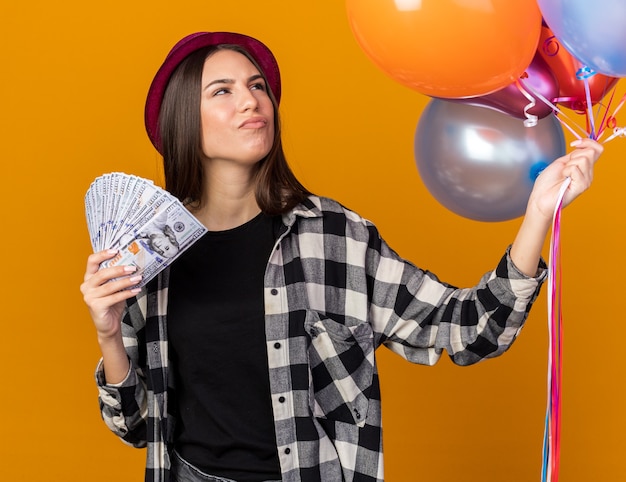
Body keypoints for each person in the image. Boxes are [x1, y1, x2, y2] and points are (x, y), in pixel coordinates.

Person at [80, 31, 603, 482]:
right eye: (223, 90)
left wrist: (537, 212)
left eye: (257, 85)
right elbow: (134, 423)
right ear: (182, 120)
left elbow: (470, 330)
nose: (251, 100)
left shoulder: (336, 237)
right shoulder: (152, 253)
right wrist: (108, 333)